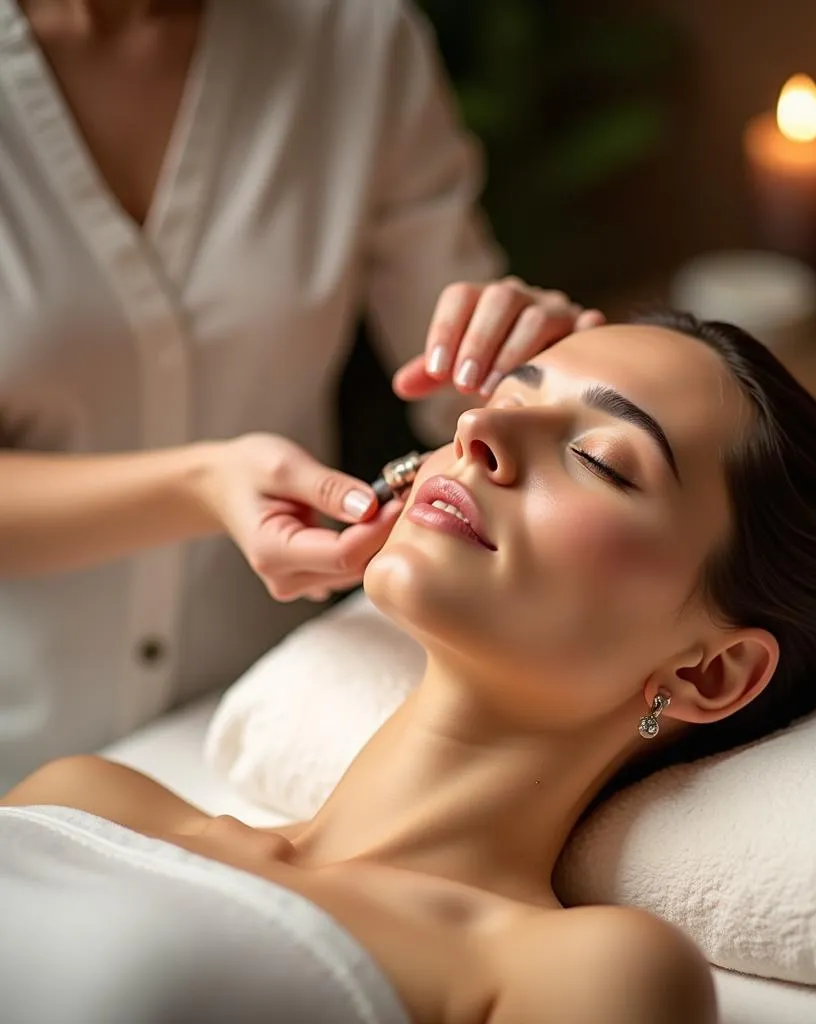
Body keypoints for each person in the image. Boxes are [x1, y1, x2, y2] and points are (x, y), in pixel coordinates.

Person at [1, 313, 816, 1023]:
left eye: (599, 459)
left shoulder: (574, 971)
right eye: (512, 398)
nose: (480, 428)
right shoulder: (85, 800)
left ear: (710, 674)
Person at [0, 0, 604, 788]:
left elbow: (462, 386)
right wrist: (201, 487)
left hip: (253, 721)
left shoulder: (357, 41)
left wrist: (538, 366)